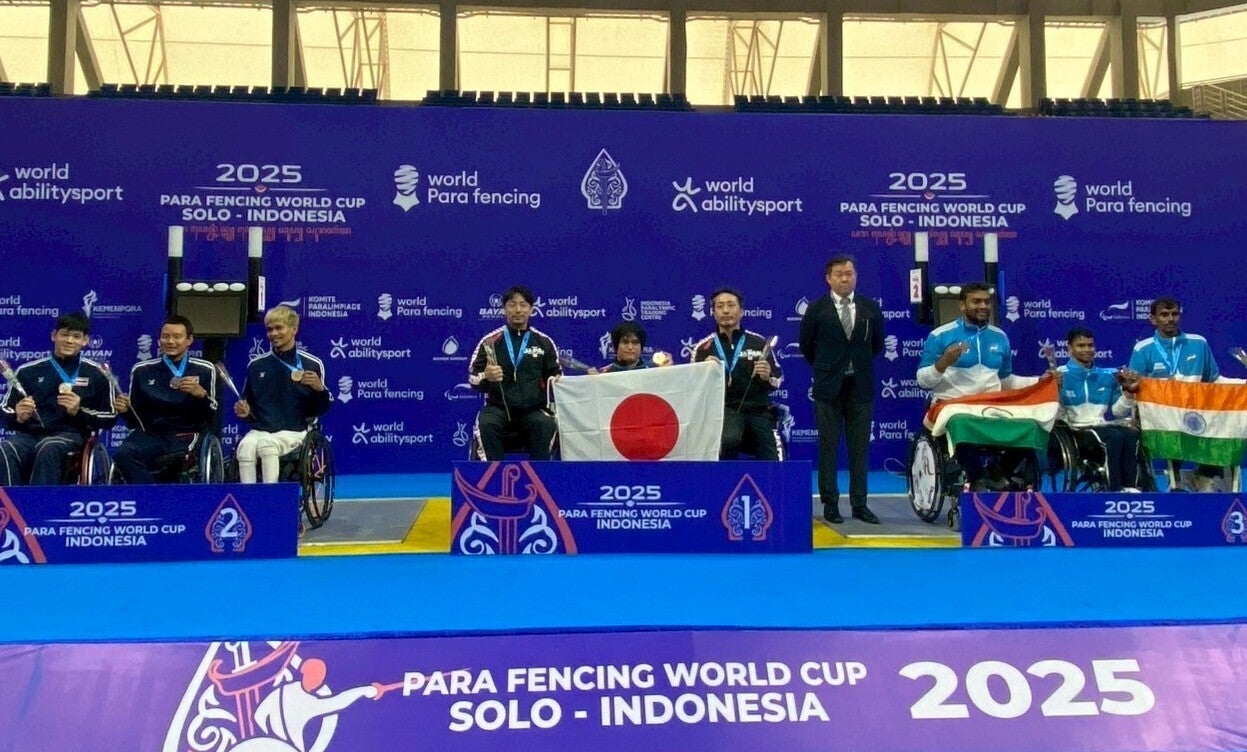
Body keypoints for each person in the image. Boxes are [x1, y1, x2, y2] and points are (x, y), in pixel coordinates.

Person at [916, 282, 1049, 488]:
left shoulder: (1000, 337)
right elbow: (923, 381)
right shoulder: (940, 336)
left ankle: (997, 472)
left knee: (1030, 427)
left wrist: (1040, 381)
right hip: (953, 405)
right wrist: (943, 363)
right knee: (961, 423)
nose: (983, 306)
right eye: (976, 301)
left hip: (991, 405)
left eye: (987, 302)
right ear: (962, 305)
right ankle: (976, 477)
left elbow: (1006, 381)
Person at [1120, 296, 1239, 491]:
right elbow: (1135, 387)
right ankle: (1175, 480)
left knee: (1222, 425)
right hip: (1161, 416)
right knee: (1175, 426)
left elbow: (1214, 381)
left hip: (1196, 413)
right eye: (1164, 315)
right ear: (1153, 319)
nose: (1170, 319)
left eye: (1174, 314)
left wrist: (1242, 384)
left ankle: (1204, 475)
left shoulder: (1199, 343)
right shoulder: (1143, 349)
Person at [799, 255, 885, 524]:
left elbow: (877, 344)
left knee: (860, 449)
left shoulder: (870, 307)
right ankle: (830, 503)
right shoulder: (816, 309)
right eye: (839, 274)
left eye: (849, 273)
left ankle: (860, 504)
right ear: (829, 278)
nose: (845, 278)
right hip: (828, 387)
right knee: (828, 447)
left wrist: (855, 365)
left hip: (860, 385)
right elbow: (806, 346)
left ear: (856, 276)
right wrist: (829, 368)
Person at [0, 312, 117, 485]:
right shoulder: (27, 371)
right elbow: (4, 411)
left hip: (70, 436)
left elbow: (110, 417)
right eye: (64, 334)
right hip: (30, 436)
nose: (69, 340)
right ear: (54, 336)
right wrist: (17, 415)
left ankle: (40, 501)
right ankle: (9, 500)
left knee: (49, 447)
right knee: (5, 449)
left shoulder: (97, 374)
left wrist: (78, 412)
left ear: (85, 340)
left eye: (76, 336)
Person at [112, 315, 218, 484]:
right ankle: (149, 495)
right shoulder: (142, 370)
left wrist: (201, 396)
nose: (171, 341)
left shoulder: (204, 369)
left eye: (177, 336)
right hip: (150, 435)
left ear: (189, 340)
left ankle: (152, 494)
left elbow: (211, 415)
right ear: (159, 340)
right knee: (123, 453)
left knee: (176, 461)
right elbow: (135, 420)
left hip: (185, 435)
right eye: (165, 336)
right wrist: (125, 410)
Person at [233, 305, 331, 483]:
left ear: (294, 329)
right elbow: (250, 410)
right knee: (245, 447)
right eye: (270, 329)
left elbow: (320, 409)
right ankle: (249, 497)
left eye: (279, 328)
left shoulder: (312, 364)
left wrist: (320, 389)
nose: (274, 334)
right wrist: (246, 412)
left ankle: (272, 496)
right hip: (261, 430)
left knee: (267, 446)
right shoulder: (256, 366)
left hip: (295, 431)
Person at [469, 285, 561, 460]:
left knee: (546, 424)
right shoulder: (490, 342)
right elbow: (473, 378)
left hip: (533, 410)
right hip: (497, 409)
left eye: (523, 305)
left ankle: (537, 475)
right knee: (486, 424)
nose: (518, 310)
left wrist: (559, 379)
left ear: (531, 309)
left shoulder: (543, 342)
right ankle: (494, 475)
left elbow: (555, 377)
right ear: (504, 309)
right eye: (512, 305)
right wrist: (486, 376)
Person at [692, 287, 784, 460]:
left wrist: (767, 376)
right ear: (713, 313)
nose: (726, 311)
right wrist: (704, 371)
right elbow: (694, 388)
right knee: (728, 440)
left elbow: (778, 380)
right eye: (720, 306)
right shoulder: (703, 348)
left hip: (759, 412)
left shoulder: (759, 342)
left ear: (741, 311)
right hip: (724, 411)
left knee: (774, 458)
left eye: (731, 305)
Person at [1057, 326, 1140, 492]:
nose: (1087, 350)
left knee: (1131, 434)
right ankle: (1114, 489)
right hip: (1074, 431)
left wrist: (1129, 392)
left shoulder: (1106, 376)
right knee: (1114, 436)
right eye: (1081, 346)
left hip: (1100, 427)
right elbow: (1053, 411)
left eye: (1090, 345)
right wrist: (1055, 390)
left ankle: (1130, 487)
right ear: (1069, 348)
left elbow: (1117, 412)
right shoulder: (1059, 375)